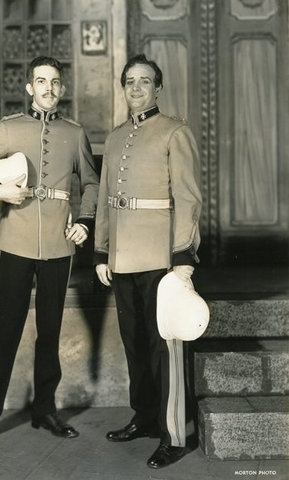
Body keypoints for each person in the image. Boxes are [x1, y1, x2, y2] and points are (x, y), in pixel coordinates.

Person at [0, 56, 99, 451]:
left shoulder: (75, 132)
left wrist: (84, 222)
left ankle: (45, 410)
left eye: (55, 82)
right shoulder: (10, 128)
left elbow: (91, 183)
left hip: (58, 243)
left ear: (63, 89)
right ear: (29, 87)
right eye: (41, 81)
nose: (49, 89)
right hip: (15, 242)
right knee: (6, 331)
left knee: (50, 332)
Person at [94, 54, 202, 469]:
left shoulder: (175, 132)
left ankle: (174, 433)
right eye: (130, 82)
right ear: (123, 88)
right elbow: (106, 199)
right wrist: (102, 251)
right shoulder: (117, 137)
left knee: (166, 348)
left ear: (158, 88)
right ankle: (144, 417)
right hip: (122, 257)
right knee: (135, 344)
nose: (136, 88)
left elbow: (188, 198)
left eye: (145, 81)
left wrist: (183, 258)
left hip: (161, 257)